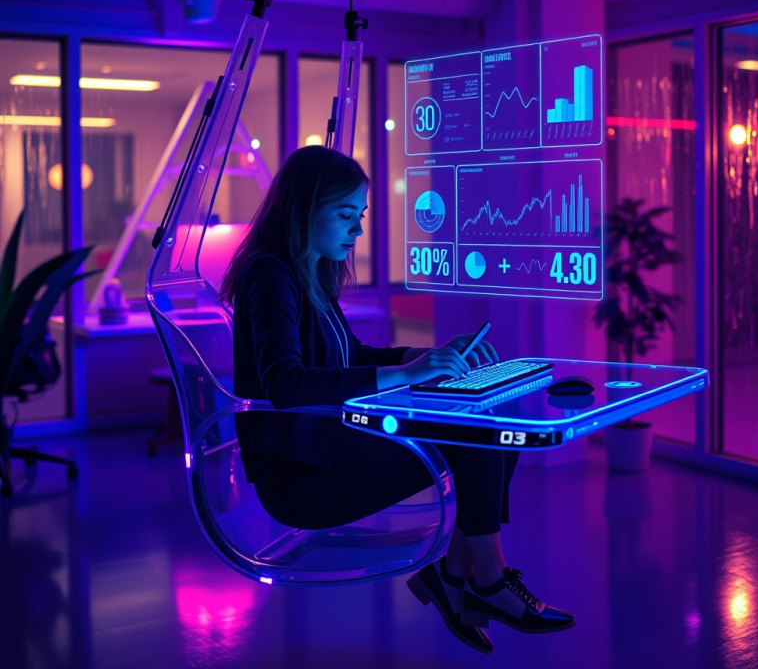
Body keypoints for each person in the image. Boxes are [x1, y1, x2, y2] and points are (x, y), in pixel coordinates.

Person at [220, 146, 574, 653]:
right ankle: (482, 580)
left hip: (328, 449)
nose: (357, 230)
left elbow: (349, 354)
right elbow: (285, 382)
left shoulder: (307, 272)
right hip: (300, 477)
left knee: (494, 418)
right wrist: (408, 373)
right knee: (475, 434)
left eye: (359, 216)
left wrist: (424, 354)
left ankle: (456, 575)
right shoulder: (269, 273)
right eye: (345, 216)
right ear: (303, 210)